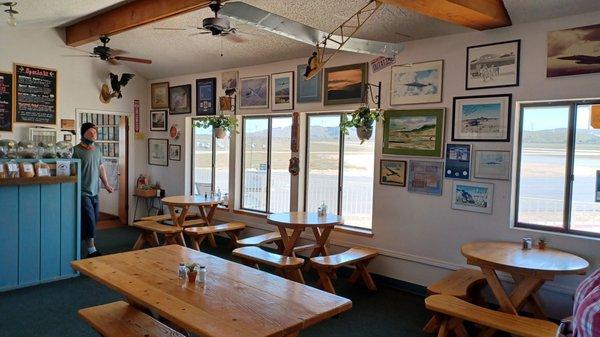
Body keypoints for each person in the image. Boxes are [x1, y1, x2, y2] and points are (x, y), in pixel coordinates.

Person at [73, 122, 114, 258]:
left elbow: (101, 167)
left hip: (95, 191)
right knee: (89, 219)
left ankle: (85, 244)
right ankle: (92, 250)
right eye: (90, 133)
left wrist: (106, 185)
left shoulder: (97, 149)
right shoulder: (75, 150)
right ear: (83, 134)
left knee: (94, 219)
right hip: (81, 191)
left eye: (95, 133)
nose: (93, 135)